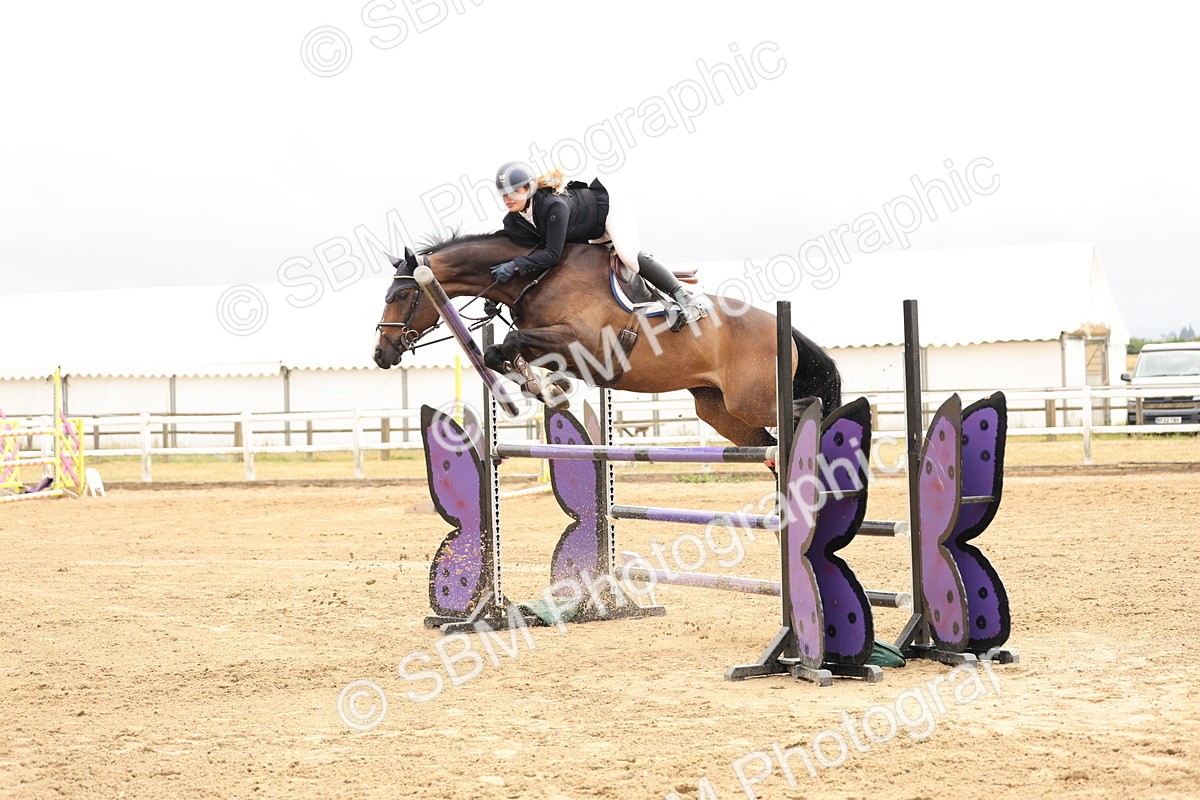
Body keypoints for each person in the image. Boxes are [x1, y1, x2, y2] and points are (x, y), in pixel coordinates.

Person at [489, 161, 705, 332]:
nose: (507, 198)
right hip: (587, 231)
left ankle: (685, 298)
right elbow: (523, 255)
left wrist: (516, 266)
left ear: (529, 189)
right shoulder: (513, 220)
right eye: (504, 194)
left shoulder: (553, 206)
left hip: (610, 210)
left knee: (628, 255)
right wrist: (495, 296)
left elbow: (552, 254)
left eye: (513, 191)